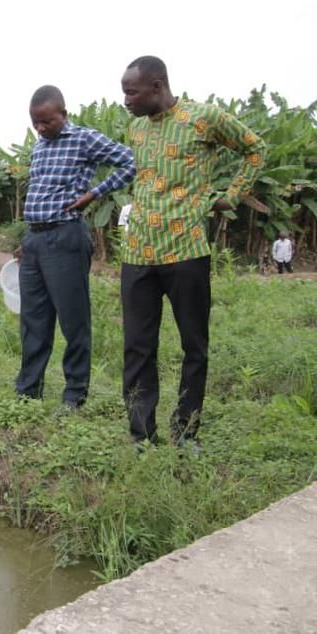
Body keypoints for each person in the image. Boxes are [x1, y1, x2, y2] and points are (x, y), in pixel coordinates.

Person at [118, 55, 267, 447]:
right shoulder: (134, 129)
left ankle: (185, 433)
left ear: (157, 85)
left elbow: (255, 148)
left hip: (186, 252)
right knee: (137, 347)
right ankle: (141, 436)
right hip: (138, 255)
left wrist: (230, 197)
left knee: (193, 347)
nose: (126, 100)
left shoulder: (204, 118)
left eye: (132, 92)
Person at [16, 85, 136, 410]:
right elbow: (39, 190)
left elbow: (130, 161)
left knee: (73, 321)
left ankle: (74, 395)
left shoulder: (84, 138)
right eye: (35, 123)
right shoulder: (40, 147)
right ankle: (27, 393)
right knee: (33, 320)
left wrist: (95, 193)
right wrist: (25, 240)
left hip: (65, 236)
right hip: (35, 240)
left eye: (47, 122)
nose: (40, 129)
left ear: (63, 114)